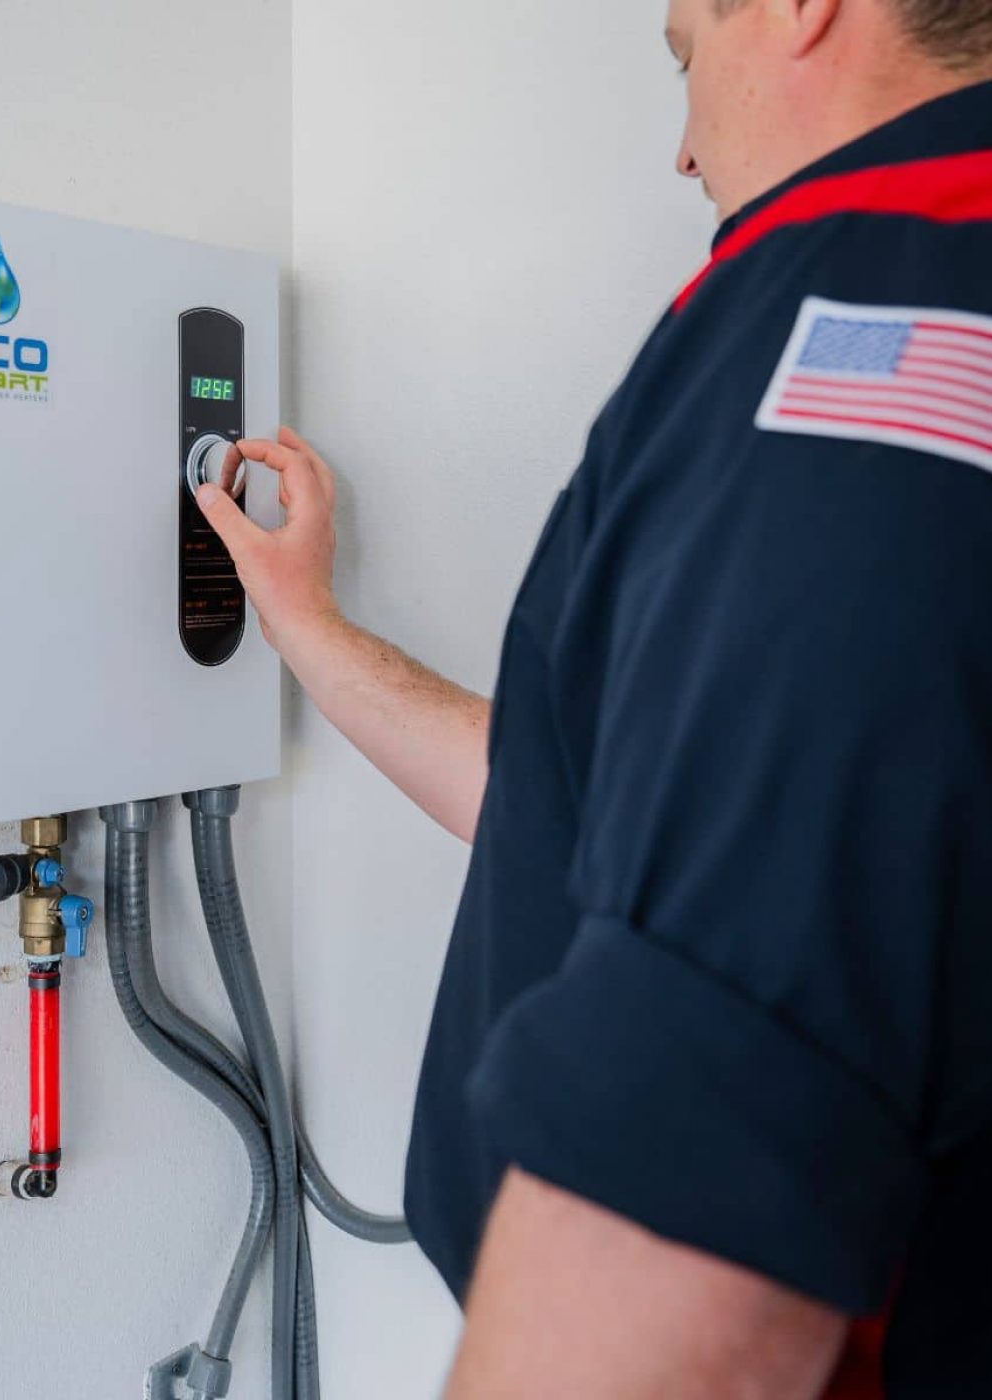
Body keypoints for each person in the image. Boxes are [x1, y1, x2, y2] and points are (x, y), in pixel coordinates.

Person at [196, 0, 992, 1393]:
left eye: (684, 57)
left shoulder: (868, 319)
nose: (682, 154)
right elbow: (620, 817)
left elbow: (699, 1153)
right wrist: (308, 629)